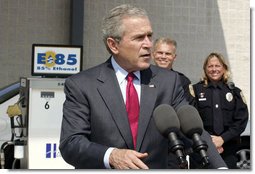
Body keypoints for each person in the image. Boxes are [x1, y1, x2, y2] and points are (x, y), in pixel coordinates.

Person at [59, 4, 227, 169]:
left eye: (149, 36)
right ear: (113, 45)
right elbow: (71, 143)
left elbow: (194, 130)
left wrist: (220, 168)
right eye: (139, 38)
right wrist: (112, 155)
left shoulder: (169, 81)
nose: (148, 44)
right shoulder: (82, 85)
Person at [192, 52, 249, 169]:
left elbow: (241, 121)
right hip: (202, 148)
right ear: (205, 69)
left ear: (224, 68)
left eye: (217, 66)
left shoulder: (235, 92)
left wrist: (222, 139)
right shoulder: (196, 90)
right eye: (210, 66)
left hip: (228, 148)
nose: (214, 69)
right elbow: (192, 119)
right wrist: (209, 140)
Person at [152, 37, 194, 104]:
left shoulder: (183, 81)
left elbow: (188, 107)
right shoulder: (144, 78)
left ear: (174, 57)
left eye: (168, 54)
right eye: (160, 53)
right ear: (153, 55)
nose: (163, 57)